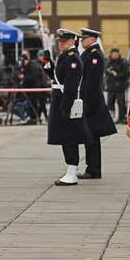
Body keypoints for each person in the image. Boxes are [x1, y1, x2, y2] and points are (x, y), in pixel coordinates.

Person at [48, 29, 90, 185]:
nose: (60, 43)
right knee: (65, 138)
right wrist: (48, 64)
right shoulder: (65, 57)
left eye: (64, 41)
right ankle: (71, 170)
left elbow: (71, 86)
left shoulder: (72, 59)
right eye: (59, 41)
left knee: (70, 138)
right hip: (62, 100)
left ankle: (72, 173)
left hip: (67, 102)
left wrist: (65, 107)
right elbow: (57, 78)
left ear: (73, 41)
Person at [76, 28, 117, 179]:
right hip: (89, 100)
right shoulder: (89, 54)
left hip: (92, 102)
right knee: (90, 136)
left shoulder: (94, 55)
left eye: (84, 38)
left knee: (92, 137)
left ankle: (93, 169)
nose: (81, 41)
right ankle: (92, 167)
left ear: (92, 39)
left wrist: (86, 103)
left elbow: (93, 82)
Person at [105, 47, 130, 124]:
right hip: (111, 86)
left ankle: (121, 117)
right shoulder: (108, 62)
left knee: (121, 103)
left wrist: (117, 74)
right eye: (114, 54)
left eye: (117, 54)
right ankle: (111, 117)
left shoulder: (123, 62)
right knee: (110, 102)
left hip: (120, 86)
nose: (115, 55)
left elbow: (126, 73)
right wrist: (110, 72)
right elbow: (105, 71)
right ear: (111, 54)